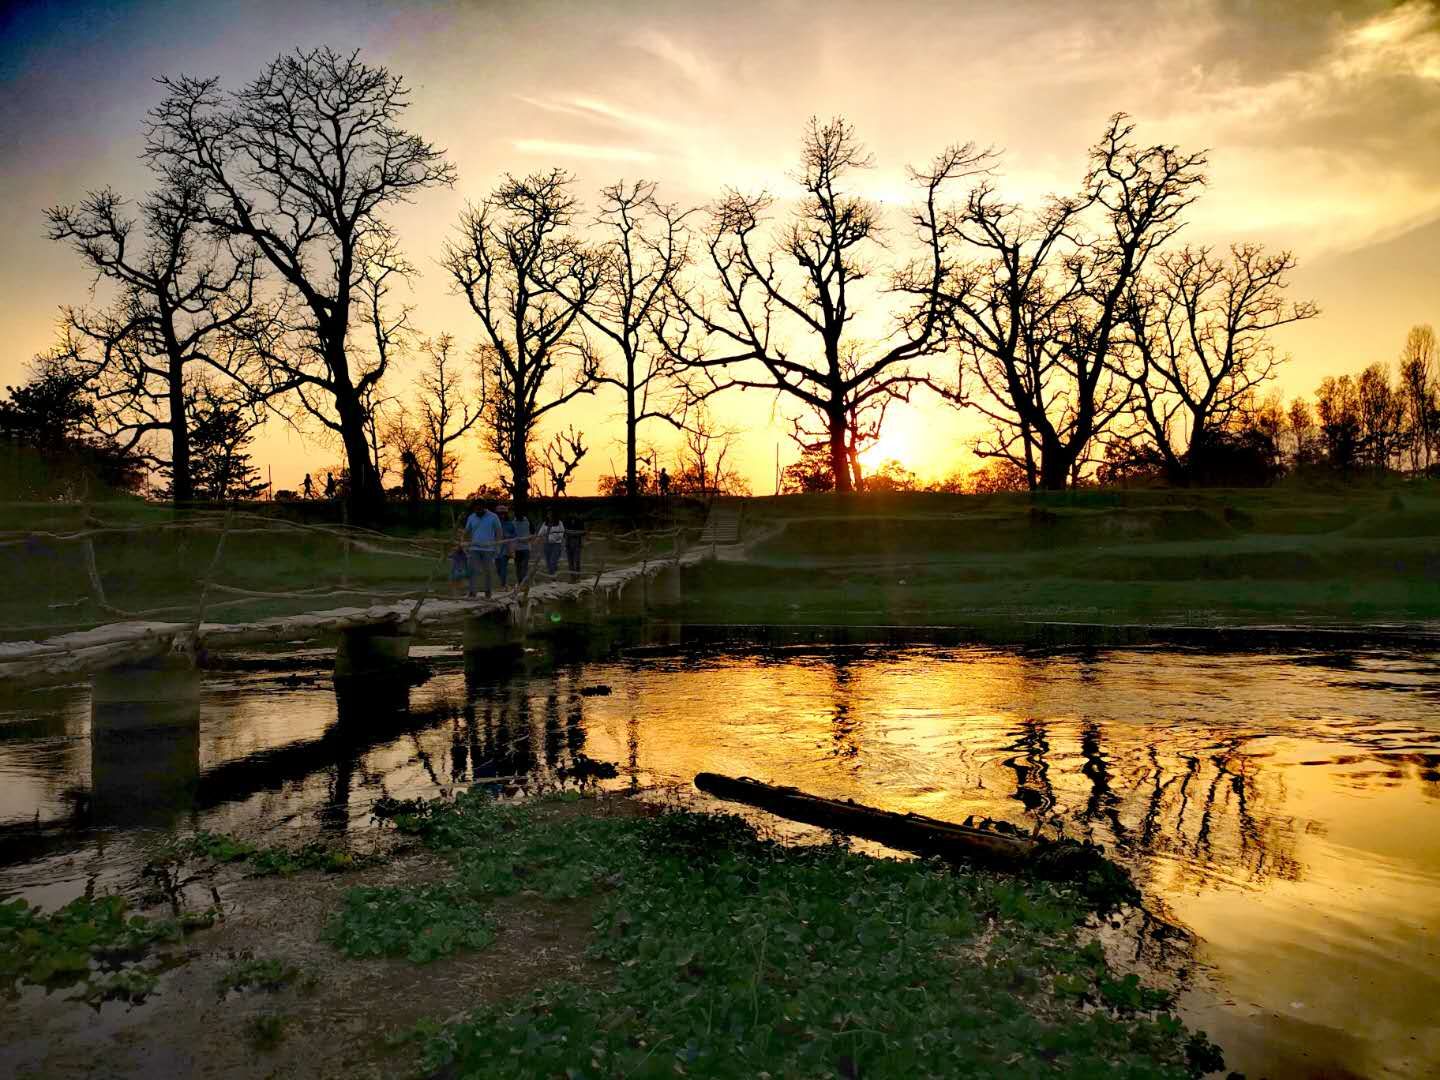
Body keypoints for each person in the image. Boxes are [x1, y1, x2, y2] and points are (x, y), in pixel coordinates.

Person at [461, 498, 502, 598]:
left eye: (479, 508)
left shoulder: (493, 517)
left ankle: (488, 592)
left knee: (488, 571)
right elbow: (466, 532)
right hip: (474, 548)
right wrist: (464, 544)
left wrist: (498, 547)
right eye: (476, 509)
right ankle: (472, 592)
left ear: (484, 508)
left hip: (489, 549)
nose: (477, 511)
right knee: (472, 570)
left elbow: (499, 532)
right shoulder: (472, 517)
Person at [495, 504, 515, 586]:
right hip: (496, 549)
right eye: (500, 514)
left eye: (503, 513)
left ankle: (503, 584)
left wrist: (508, 536)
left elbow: (514, 535)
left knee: (503, 566)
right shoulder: (494, 524)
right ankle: (502, 582)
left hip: (506, 549)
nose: (502, 515)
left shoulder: (509, 524)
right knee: (498, 568)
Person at [540, 510, 564, 576]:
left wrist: (555, 538)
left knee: (553, 560)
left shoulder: (559, 523)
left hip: (556, 544)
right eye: (548, 514)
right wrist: (540, 538)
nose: (548, 516)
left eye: (550, 514)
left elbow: (562, 532)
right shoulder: (545, 523)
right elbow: (541, 533)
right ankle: (552, 574)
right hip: (547, 544)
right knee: (548, 561)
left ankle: (552, 575)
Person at [512, 507, 532, 584]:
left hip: (526, 548)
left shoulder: (528, 521)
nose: (518, 516)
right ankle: (520, 581)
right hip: (517, 548)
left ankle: (523, 582)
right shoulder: (513, 523)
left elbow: (532, 532)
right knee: (518, 566)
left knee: (524, 566)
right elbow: (512, 535)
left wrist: (529, 538)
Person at [565, 509, 585, 574]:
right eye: (571, 513)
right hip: (568, 541)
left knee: (577, 560)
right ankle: (572, 575)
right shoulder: (566, 521)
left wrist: (573, 532)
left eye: (574, 513)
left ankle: (578, 575)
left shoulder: (580, 521)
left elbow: (583, 532)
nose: (572, 514)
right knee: (570, 560)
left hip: (577, 541)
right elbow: (564, 532)